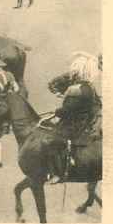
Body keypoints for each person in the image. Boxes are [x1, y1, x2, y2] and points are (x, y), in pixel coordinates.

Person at [45, 52, 101, 184]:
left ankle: (57, 173)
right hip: (85, 122)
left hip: (74, 124)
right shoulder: (89, 87)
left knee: (51, 140)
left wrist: (57, 112)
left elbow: (67, 110)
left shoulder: (76, 89)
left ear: (78, 71)